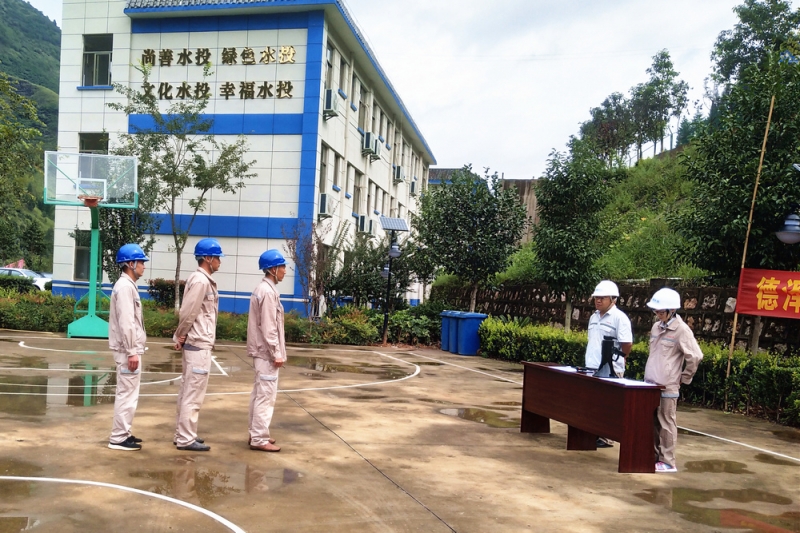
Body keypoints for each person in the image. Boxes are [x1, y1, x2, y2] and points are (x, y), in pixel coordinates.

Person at [645, 287, 703, 473]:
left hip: (667, 385)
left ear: (672, 310)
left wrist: (683, 378)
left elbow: (695, 356)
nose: (658, 313)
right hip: (650, 384)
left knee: (666, 422)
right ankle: (654, 457)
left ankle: (668, 461)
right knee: (652, 423)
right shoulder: (656, 327)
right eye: (656, 310)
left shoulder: (681, 330)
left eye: (661, 310)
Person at [173, 238, 224, 452]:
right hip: (198, 344)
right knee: (193, 394)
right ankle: (186, 438)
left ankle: (183, 434)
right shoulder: (201, 281)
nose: (220, 261)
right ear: (208, 258)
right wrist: (180, 335)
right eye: (217, 257)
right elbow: (188, 312)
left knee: (188, 391)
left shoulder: (202, 280)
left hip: (197, 343)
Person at [107, 244, 149, 451]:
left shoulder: (128, 286)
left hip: (128, 349)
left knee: (129, 394)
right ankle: (118, 438)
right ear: (130, 264)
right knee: (126, 394)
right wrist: (132, 351)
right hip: (127, 351)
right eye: (141, 262)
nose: (143, 266)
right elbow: (126, 322)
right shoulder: (125, 287)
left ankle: (124, 432)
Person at [246, 249, 287, 452]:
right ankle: (259, 438)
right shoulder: (268, 293)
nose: (285, 271)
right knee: (265, 396)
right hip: (266, 353)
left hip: (261, 352)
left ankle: (256, 433)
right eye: (282, 266)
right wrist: (276, 353)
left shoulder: (263, 289)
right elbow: (269, 327)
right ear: (272, 269)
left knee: (259, 394)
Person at [585, 280, 632, 449]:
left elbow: (626, 343)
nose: (598, 301)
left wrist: (622, 358)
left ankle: (607, 437)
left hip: (610, 370)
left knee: (608, 404)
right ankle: (596, 432)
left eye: (602, 298)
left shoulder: (619, 318)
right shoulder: (594, 317)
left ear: (613, 299)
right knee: (594, 403)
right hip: (591, 367)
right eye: (596, 298)